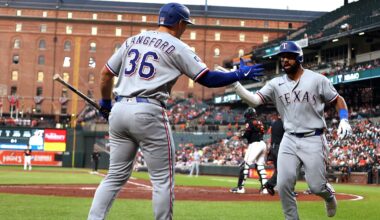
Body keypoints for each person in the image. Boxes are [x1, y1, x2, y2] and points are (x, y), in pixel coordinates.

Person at [87, 2, 263, 220]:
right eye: (185, 25)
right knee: (162, 179)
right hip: (148, 109)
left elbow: (105, 74)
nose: (185, 29)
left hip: (120, 108)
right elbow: (207, 78)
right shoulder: (178, 46)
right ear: (180, 23)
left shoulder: (132, 40)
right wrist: (239, 75)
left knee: (114, 176)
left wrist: (105, 104)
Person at [233, 41, 352, 219]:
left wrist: (344, 119)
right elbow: (254, 100)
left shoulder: (317, 79)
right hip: (289, 139)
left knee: (316, 186)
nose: (285, 60)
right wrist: (235, 83)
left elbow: (337, 99)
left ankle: (329, 197)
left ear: (299, 58)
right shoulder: (275, 83)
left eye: (289, 56)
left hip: (314, 137)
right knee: (283, 184)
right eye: (282, 57)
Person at [230, 107, 268, 194]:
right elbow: (257, 132)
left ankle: (240, 188)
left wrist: (240, 136)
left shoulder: (249, 121)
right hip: (263, 144)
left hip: (255, 144)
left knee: (245, 165)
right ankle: (265, 189)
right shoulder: (259, 122)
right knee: (260, 166)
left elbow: (247, 134)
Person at [264, 114, 285, 196]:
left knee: (278, 169)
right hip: (280, 148)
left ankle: (276, 185)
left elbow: (270, 136)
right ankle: (270, 183)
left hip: (273, 148)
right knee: (283, 169)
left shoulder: (274, 123)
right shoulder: (285, 123)